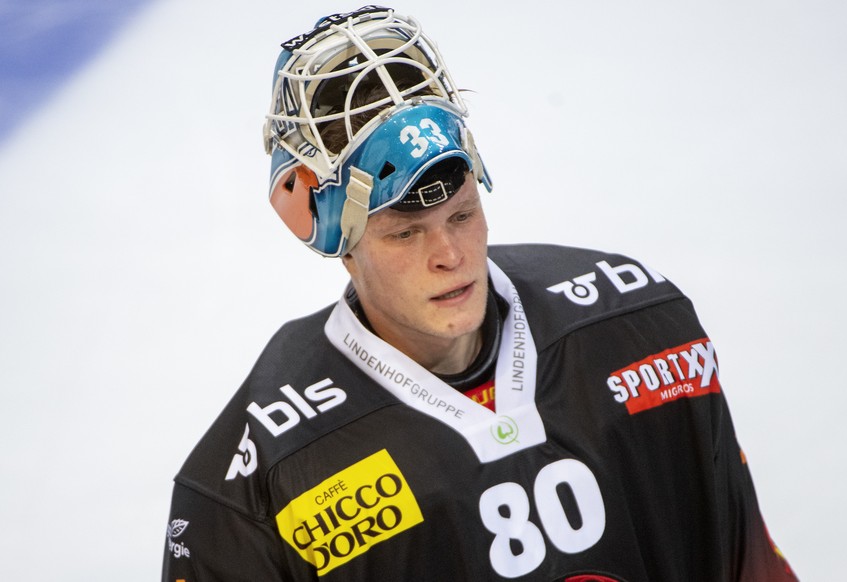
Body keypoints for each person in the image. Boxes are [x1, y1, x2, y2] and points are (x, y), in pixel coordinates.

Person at [162, 6, 797, 581]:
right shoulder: (256, 482)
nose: (450, 256)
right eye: (406, 232)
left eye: (462, 214)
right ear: (336, 237)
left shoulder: (642, 329)